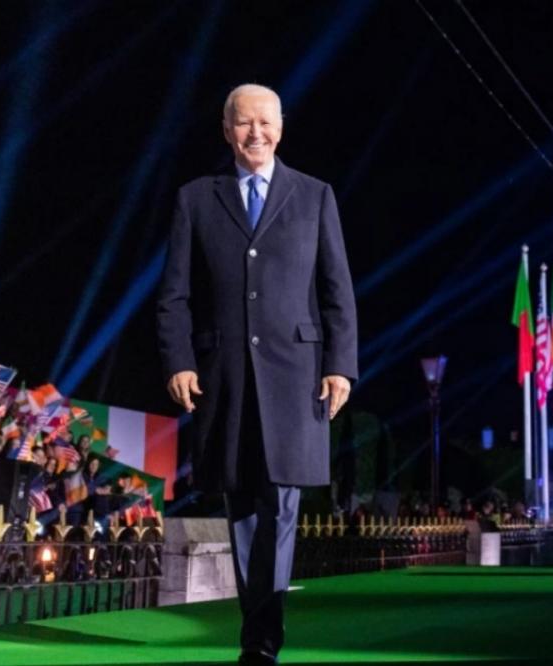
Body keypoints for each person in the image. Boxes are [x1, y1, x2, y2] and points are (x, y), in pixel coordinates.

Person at [156, 83, 358, 665]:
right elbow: (173, 296)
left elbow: (337, 290)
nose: (256, 133)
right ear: (227, 131)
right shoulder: (196, 198)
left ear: (281, 127)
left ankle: (262, 638)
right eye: (245, 123)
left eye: (266, 122)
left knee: (282, 504)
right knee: (240, 506)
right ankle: (260, 630)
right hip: (224, 378)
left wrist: (340, 366)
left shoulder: (315, 195)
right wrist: (179, 361)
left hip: (297, 378)